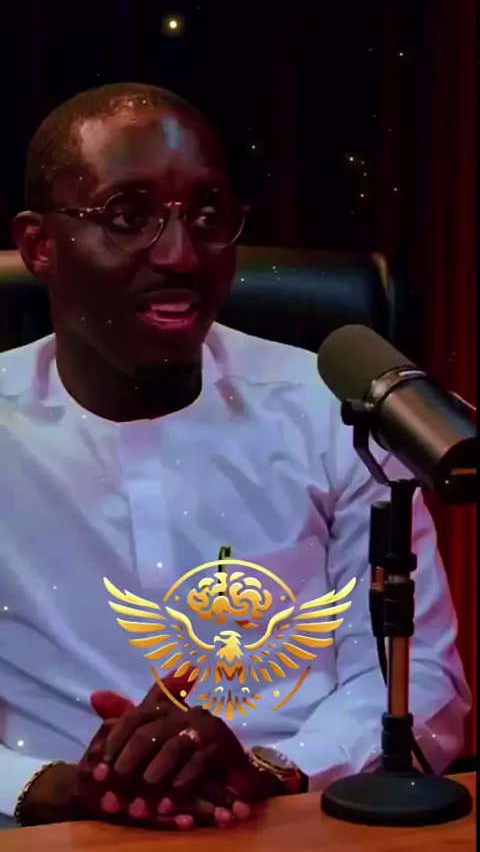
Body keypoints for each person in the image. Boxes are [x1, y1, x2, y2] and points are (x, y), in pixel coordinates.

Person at [0, 82, 471, 831]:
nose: (181, 255)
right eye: (128, 217)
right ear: (38, 246)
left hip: (301, 823)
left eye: (208, 216)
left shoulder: (331, 413)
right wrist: (47, 786)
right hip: (54, 834)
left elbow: (420, 686)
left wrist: (274, 769)